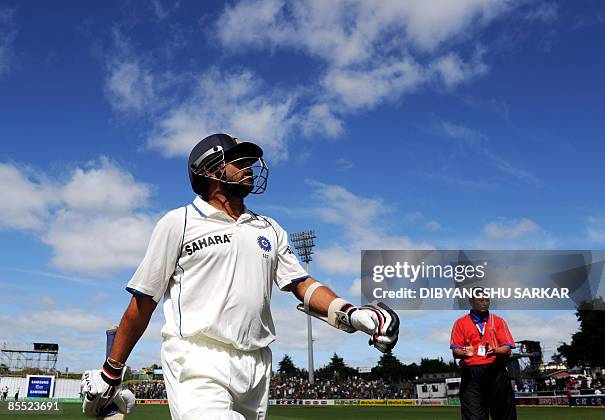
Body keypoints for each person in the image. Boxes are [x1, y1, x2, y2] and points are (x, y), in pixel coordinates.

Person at [81, 133, 400, 420]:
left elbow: (301, 285)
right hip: (197, 356)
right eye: (238, 161)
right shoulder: (178, 223)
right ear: (209, 170)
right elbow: (143, 302)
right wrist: (112, 370)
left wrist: (351, 313)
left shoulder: (269, 228)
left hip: (257, 364)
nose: (249, 167)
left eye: (249, 161)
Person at [450, 289, 516, 420]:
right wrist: (464, 353)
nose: (485, 303)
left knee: (505, 416)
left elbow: (507, 348)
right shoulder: (460, 323)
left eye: (487, 300)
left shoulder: (498, 321)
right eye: (480, 300)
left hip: (496, 372)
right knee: (473, 417)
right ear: (471, 302)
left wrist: (495, 350)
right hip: (472, 376)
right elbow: (455, 351)